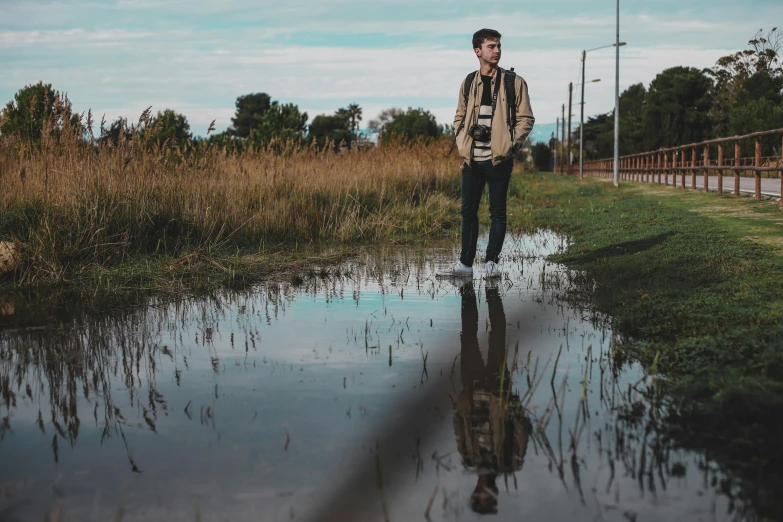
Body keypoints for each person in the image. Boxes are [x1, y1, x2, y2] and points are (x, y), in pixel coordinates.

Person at [438, 29, 535, 279]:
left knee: (497, 212)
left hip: (498, 160)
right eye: (491, 46)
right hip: (472, 159)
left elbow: (526, 118)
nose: (497, 50)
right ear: (477, 51)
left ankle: (492, 262)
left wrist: (510, 145)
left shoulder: (514, 82)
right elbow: (459, 116)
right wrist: (462, 141)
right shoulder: (469, 82)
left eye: (499, 46)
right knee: (468, 211)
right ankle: (465, 265)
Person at [453, 282, 531, 514]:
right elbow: (523, 428)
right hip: (498, 390)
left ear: (476, 491)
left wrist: (462, 402)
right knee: (497, 334)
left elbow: (458, 426)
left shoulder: (468, 459)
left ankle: (476, 291)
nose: (485, 491)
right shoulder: (511, 462)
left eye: (481, 495)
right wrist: (510, 404)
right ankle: (489, 291)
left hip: (472, 385)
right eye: (488, 496)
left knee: (468, 334)